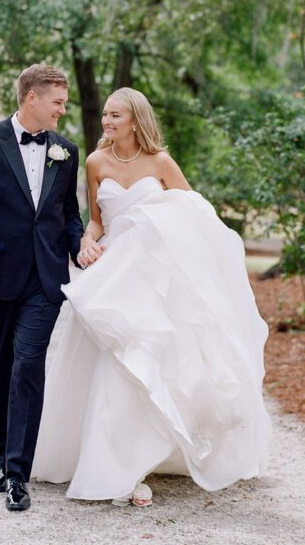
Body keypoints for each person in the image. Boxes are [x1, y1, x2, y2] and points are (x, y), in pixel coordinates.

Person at [32, 87, 271, 505]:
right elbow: (97, 221)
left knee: (154, 361)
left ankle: (149, 454)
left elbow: (194, 215)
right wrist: (87, 243)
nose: (107, 122)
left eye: (116, 116)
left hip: (156, 276)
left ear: (136, 119)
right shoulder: (95, 162)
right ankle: (114, 463)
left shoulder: (161, 163)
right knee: (113, 363)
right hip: (114, 273)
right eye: (105, 114)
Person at [0, 64, 91, 511]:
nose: (62, 111)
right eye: (57, 103)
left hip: (44, 281)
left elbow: (68, 214)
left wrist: (80, 246)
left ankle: (17, 473)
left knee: (29, 364)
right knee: (1, 368)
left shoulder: (65, 151)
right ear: (32, 98)